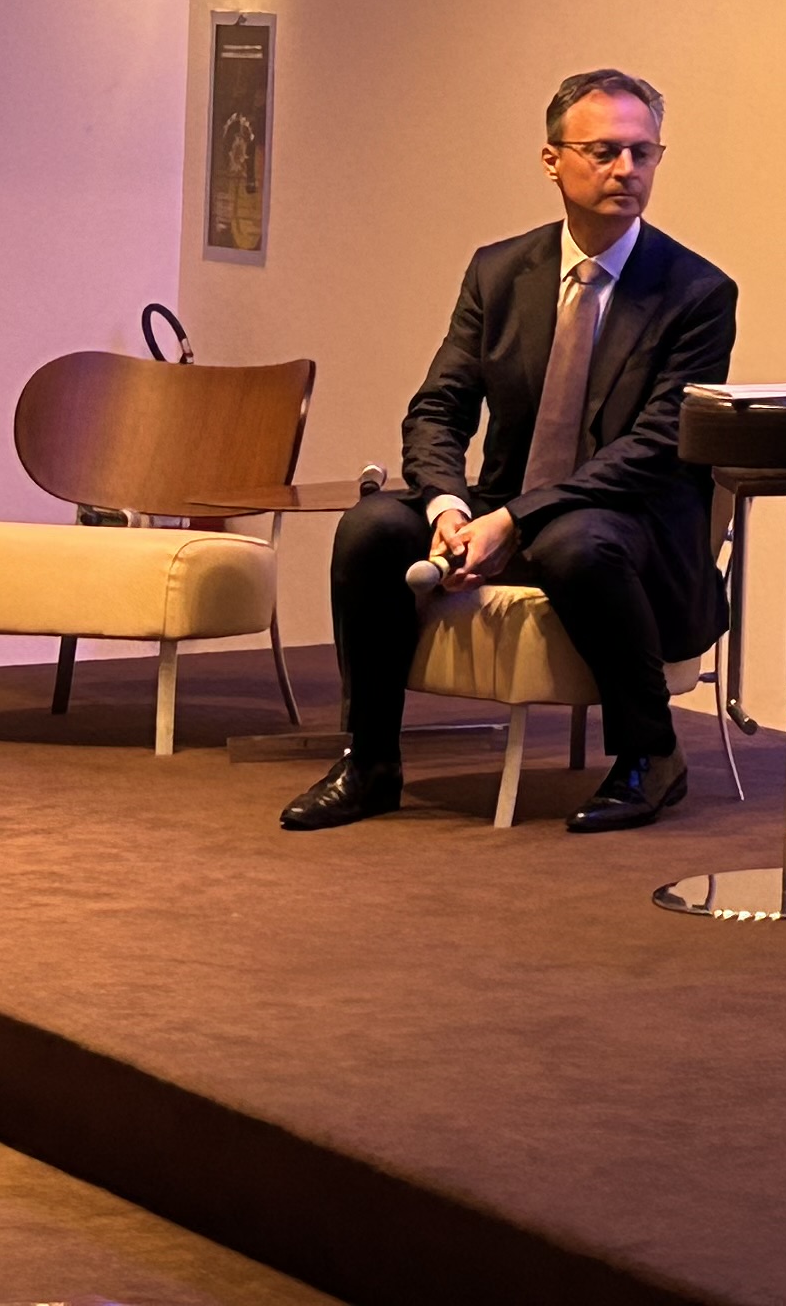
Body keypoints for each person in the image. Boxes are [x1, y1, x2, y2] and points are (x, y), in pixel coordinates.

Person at [283, 70, 739, 837]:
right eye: (604, 151)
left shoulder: (696, 292)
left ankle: (650, 755)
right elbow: (439, 406)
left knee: (574, 542)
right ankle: (371, 761)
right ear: (552, 159)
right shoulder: (499, 272)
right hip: (501, 506)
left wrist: (515, 521)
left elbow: (656, 444)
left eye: (643, 152)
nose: (627, 170)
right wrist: (447, 505)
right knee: (372, 527)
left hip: (628, 523)